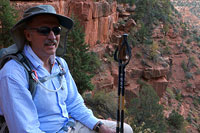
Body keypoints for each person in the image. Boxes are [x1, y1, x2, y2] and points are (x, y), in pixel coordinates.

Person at [0, 5, 133, 133]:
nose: (52, 37)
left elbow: (74, 104)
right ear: (28, 35)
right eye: (44, 30)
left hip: (68, 127)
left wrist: (99, 126)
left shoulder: (60, 64)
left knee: (124, 130)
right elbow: (26, 130)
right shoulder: (13, 73)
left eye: (56, 30)